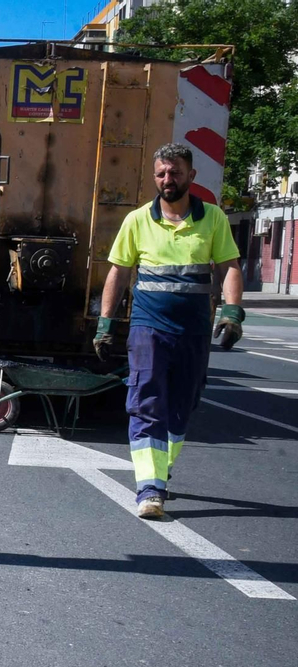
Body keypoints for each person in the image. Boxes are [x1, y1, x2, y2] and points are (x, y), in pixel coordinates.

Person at [96, 142, 243, 520]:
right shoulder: (138, 220)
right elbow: (119, 271)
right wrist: (105, 323)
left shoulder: (213, 219)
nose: (168, 179)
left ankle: (160, 471)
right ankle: (150, 488)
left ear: (191, 175)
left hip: (193, 331)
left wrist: (231, 312)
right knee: (145, 402)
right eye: (161, 173)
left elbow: (227, 265)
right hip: (148, 327)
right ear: (154, 176)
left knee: (182, 407)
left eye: (175, 172)